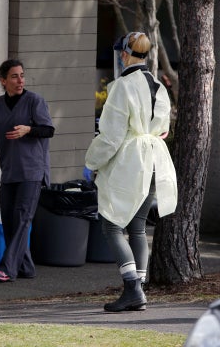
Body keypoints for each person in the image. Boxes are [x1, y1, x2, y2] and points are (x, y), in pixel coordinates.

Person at [83, 31, 177, 312]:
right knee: (137, 227)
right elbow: (163, 130)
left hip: (130, 161)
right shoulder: (159, 87)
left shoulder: (122, 86)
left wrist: (91, 162)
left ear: (125, 53)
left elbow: (110, 136)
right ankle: (139, 289)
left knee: (111, 224)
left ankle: (132, 289)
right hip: (154, 159)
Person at [0, 59, 54, 283]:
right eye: (14, 76)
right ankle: (26, 267)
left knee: (23, 219)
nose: (20, 80)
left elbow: (48, 130)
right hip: (10, 173)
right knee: (11, 223)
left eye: (22, 75)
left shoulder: (35, 101)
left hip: (32, 171)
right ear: (3, 81)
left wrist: (28, 129)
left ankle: (7, 268)